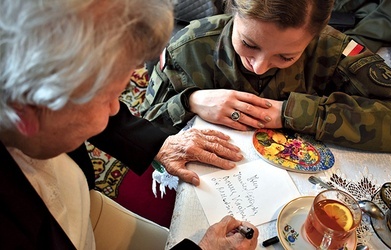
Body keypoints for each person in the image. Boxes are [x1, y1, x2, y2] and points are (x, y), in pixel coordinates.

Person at [0, 0, 259, 249]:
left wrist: (159, 143)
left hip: (84, 207)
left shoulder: (32, 100)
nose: (117, 108)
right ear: (28, 111)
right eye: (109, 97)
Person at [140, 0, 391, 153]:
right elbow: (144, 127)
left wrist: (297, 113)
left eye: (286, 57)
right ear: (234, 10)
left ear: (316, 36)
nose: (260, 67)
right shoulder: (189, 47)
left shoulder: (334, 50)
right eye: (249, 44)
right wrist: (190, 101)